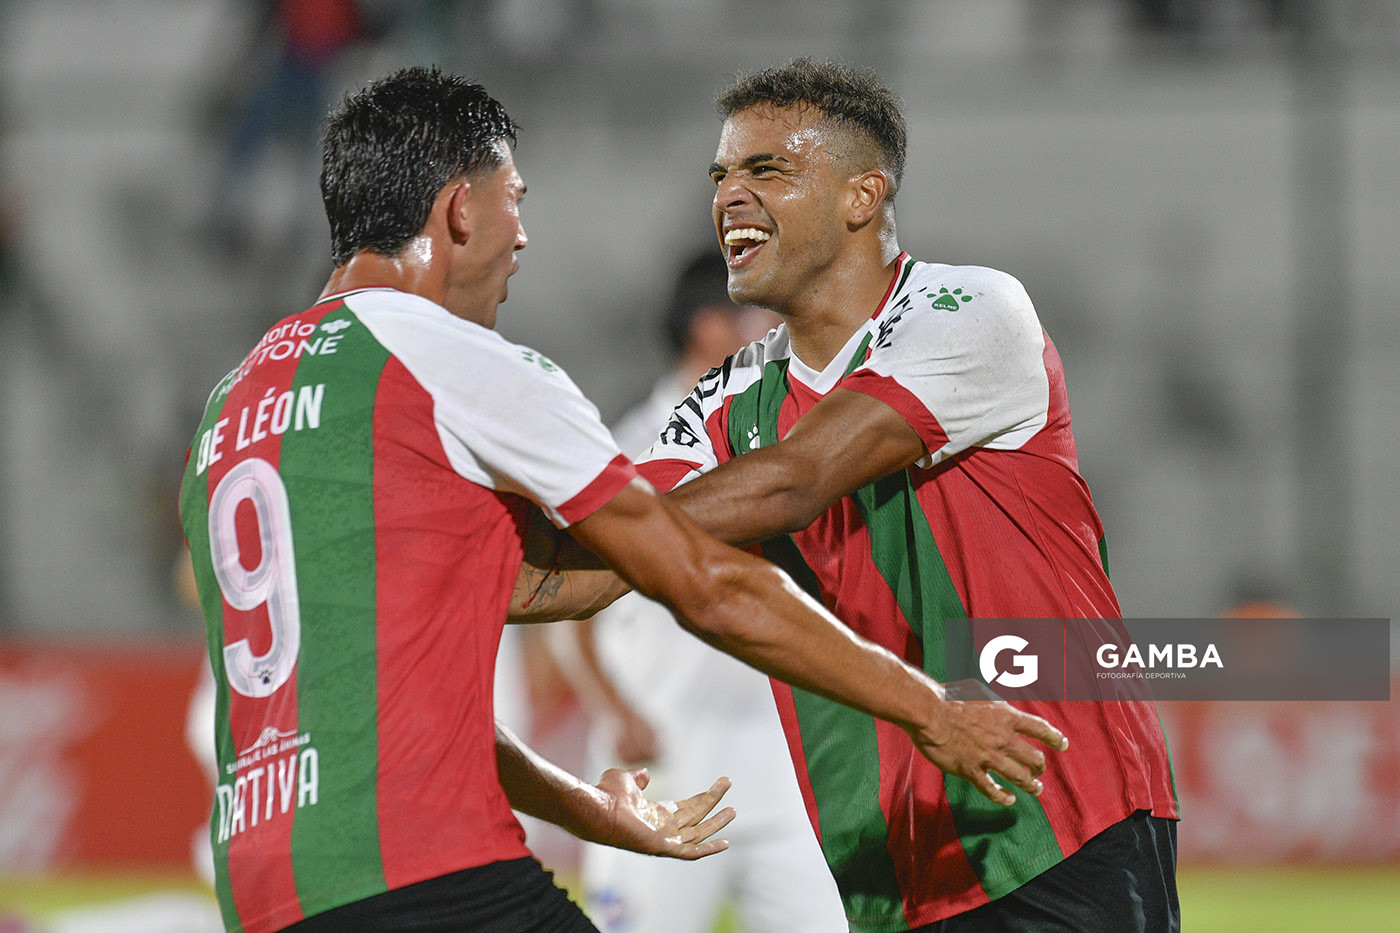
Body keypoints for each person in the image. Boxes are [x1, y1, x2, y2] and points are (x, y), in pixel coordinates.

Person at [178, 66, 1065, 933]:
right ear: (460, 208)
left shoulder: (233, 408)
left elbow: (381, 700)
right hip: (432, 867)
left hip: (267, 885)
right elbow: (707, 586)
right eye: (514, 198)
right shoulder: (455, 364)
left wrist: (582, 809)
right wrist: (928, 710)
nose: (521, 235)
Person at [536, 59, 1180, 932]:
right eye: (720, 175)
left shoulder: (973, 311)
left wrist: (627, 533)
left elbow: (796, 482)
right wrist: (438, 581)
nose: (729, 196)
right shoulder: (728, 397)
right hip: (894, 863)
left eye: (766, 170)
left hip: (1056, 814)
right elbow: (587, 568)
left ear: (861, 195)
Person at [568, 251, 845, 933]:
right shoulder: (628, 451)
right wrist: (615, 710)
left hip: (781, 760)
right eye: (756, 313)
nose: (773, 331)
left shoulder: (784, 446)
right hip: (667, 756)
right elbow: (570, 606)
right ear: (707, 329)